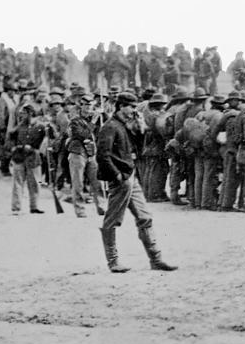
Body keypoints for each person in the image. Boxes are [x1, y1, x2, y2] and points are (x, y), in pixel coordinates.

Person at [96, 90, 176, 272]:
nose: (134, 110)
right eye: (131, 107)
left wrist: (140, 130)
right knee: (112, 220)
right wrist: (117, 175)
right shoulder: (110, 126)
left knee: (145, 217)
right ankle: (113, 262)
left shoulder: (127, 125)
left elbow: (138, 150)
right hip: (121, 179)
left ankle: (156, 260)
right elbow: (103, 156)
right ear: (121, 106)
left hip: (131, 177)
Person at [66, 95, 104, 217]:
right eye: (86, 105)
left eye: (91, 105)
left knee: (97, 181)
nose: (89, 108)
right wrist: (93, 123)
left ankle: (101, 206)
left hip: (92, 153)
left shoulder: (97, 119)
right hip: (78, 153)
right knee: (78, 183)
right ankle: (80, 208)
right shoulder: (75, 120)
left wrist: (102, 116)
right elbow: (83, 134)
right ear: (81, 106)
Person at [7, 102, 46, 215]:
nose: (21, 115)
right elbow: (10, 136)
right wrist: (13, 148)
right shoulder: (20, 126)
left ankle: (34, 206)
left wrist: (38, 149)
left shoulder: (41, 126)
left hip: (33, 157)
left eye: (23, 113)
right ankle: (16, 207)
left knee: (34, 183)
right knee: (18, 182)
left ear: (31, 113)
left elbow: (47, 139)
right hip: (19, 156)